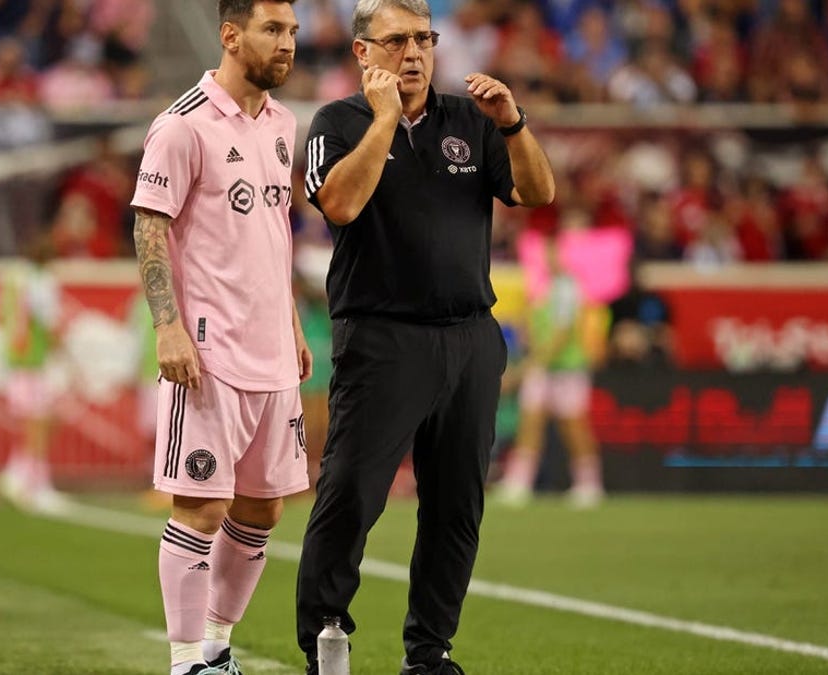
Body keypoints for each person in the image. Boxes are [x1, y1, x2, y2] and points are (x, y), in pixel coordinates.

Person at [295, 1, 555, 672]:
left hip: (468, 335)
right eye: (397, 40)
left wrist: (514, 124)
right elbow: (342, 205)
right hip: (382, 337)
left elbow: (537, 192)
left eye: (424, 38)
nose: (414, 52)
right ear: (363, 53)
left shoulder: (470, 120)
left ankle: (430, 651)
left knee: (456, 507)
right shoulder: (337, 123)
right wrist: (386, 118)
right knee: (351, 493)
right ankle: (327, 634)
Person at [129, 2, 310, 674]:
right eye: (273, 30)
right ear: (231, 37)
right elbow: (149, 227)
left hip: (272, 351)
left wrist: (289, 318)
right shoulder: (182, 125)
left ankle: (216, 643)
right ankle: (185, 662)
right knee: (203, 505)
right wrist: (169, 326)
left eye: (292, 31)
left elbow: (274, 229)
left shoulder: (284, 123)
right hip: (207, 353)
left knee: (262, 507)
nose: (287, 44)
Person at [495, 217, 610, 509]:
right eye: (546, 251)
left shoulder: (569, 287)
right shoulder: (545, 286)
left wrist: (531, 364)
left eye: (554, 251)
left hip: (567, 368)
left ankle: (589, 485)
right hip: (543, 367)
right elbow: (535, 324)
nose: (549, 257)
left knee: (574, 426)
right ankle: (519, 483)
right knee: (530, 423)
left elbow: (561, 334)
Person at [0, 233, 67, 513]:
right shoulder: (40, 280)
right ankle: (37, 485)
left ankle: (18, 473)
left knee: (32, 421)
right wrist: (62, 350)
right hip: (34, 358)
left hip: (15, 357)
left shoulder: (12, 276)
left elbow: (3, 315)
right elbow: (47, 319)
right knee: (39, 421)